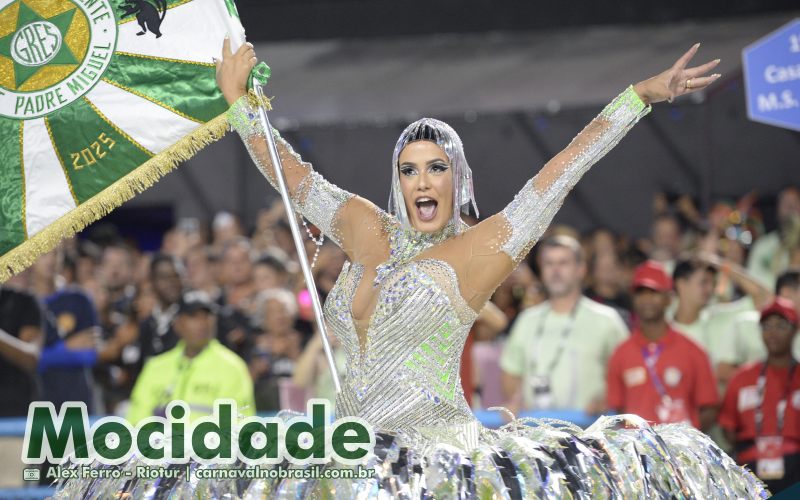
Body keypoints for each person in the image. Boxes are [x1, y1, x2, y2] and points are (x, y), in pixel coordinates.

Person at [60, 41, 764, 497]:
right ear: (396, 179)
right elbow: (294, 178)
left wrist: (637, 98)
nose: (422, 180)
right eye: (409, 169)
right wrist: (240, 108)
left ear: (457, 178)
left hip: (433, 466)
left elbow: (558, 174)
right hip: (343, 457)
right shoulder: (368, 230)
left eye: (436, 168)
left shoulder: (479, 251)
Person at [501, 235, 628, 415]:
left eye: (563, 263)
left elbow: (626, 372)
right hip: (536, 436)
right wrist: (515, 401)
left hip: (590, 434)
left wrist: (607, 401)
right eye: (549, 263)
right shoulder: (526, 320)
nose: (556, 270)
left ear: (581, 269)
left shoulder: (607, 319)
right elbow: (511, 374)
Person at [607, 261, 720, 431]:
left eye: (654, 293)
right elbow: (617, 410)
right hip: (638, 453)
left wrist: (687, 439)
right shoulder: (621, 353)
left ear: (669, 298)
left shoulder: (693, 351)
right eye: (640, 293)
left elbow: (710, 407)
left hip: (681, 453)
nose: (646, 299)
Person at [126, 291, 255, 424]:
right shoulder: (155, 367)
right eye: (193, 316)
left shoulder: (232, 367)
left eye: (206, 317)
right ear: (178, 324)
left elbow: (240, 423)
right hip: (160, 443)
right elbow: (137, 420)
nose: (201, 323)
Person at [719, 298, 800, 493]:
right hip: (750, 468)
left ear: (795, 330)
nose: (772, 332)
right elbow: (728, 427)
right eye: (767, 326)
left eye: (781, 326)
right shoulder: (742, 378)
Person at [747, 187, 800, 290]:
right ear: (778, 208)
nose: (790, 208)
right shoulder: (763, 245)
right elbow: (754, 281)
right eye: (786, 203)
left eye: (795, 204)